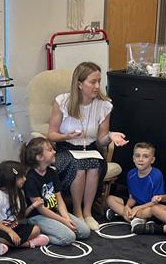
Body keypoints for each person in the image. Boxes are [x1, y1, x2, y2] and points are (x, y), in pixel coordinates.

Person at [46, 62, 128, 229]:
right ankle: (77, 212)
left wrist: (111, 136)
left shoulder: (104, 105)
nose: (97, 86)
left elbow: (100, 140)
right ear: (79, 84)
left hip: (91, 149)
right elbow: (51, 135)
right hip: (65, 148)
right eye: (93, 82)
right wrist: (66, 136)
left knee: (93, 165)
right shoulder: (62, 101)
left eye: (99, 81)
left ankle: (88, 212)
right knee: (79, 166)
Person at [20, 137, 90, 246]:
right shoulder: (30, 178)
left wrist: (66, 217)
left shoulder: (52, 172)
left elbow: (59, 198)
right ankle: (40, 236)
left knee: (85, 231)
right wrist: (63, 221)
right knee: (69, 237)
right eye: (50, 150)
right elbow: (41, 208)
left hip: (54, 212)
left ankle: (58, 227)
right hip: (38, 216)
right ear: (39, 157)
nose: (54, 151)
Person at [0, 161, 49, 255]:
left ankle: (1, 245)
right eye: (21, 177)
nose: (25, 179)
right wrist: (10, 232)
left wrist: (33, 206)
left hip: (13, 227)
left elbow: (20, 216)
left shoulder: (18, 193)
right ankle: (28, 244)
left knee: (36, 230)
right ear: (10, 179)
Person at [104, 142, 165, 232]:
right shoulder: (131, 174)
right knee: (110, 199)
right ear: (133, 158)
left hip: (149, 205)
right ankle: (134, 218)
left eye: (145, 156)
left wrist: (138, 208)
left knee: (151, 211)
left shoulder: (156, 175)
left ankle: (126, 215)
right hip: (136, 204)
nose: (140, 159)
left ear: (152, 160)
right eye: (137, 156)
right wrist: (127, 207)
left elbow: (157, 202)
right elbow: (132, 197)